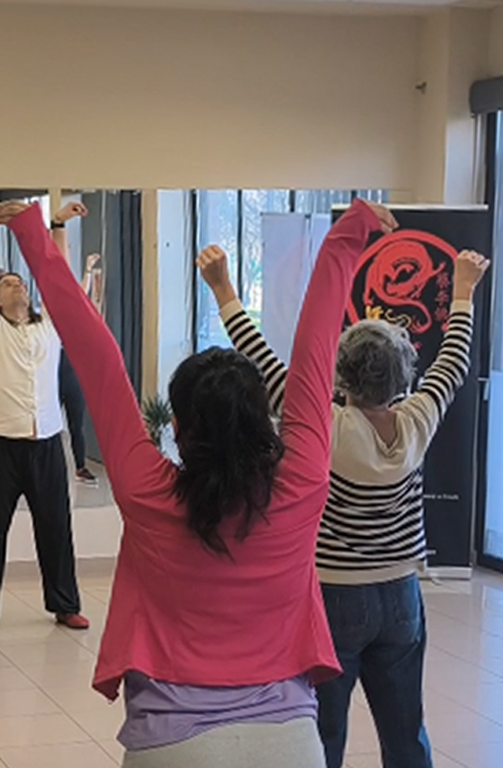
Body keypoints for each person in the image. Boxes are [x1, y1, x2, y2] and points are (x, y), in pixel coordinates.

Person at [0, 196, 399, 766]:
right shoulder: (302, 482)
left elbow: (96, 357)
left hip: (171, 744)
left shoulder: (147, 492)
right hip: (289, 743)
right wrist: (345, 238)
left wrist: (33, 233)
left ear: (177, 428)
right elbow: (315, 352)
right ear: (263, 422)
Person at [198, 243, 489, 768]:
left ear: (341, 375)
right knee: (406, 732)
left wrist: (223, 289)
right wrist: (464, 289)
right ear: (404, 376)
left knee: (325, 731)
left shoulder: (322, 426)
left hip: (332, 597)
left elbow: (262, 361)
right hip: (402, 594)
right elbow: (453, 361)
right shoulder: (418, 419)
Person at [0, 197, 88, 639]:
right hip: (2, 442)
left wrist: (58, 225)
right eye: (9, 284)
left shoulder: (48, 326)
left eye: (20, 283)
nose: (18, 287)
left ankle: (66, 604)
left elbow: (58, 276)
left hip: (47, 441)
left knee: (56, 527)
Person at [49, 203, 100, 486]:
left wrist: (89, 270)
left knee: (76, 423)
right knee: (51, 423)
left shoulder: (74, 310)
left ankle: (80, 466)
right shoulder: (51, 313)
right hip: (54, 370)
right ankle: (54, 465)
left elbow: (80, 293)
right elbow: (65, 282)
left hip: (73, 371)